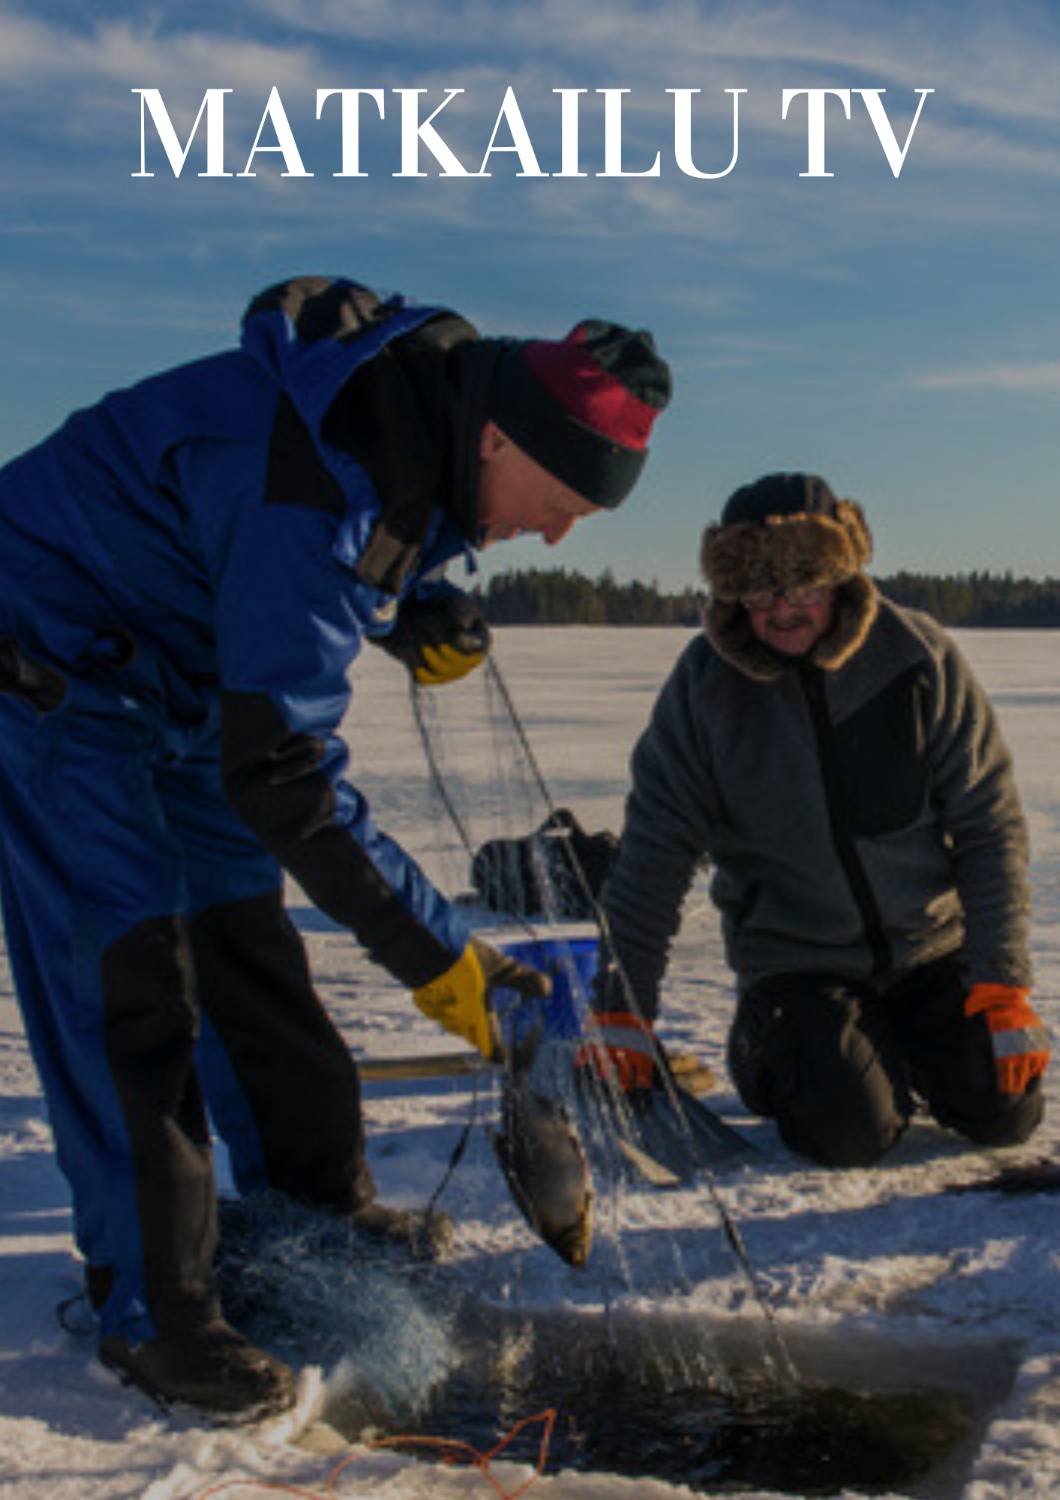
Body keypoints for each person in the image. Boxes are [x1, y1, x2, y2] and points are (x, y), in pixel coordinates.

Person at [0, 275, 670, 1420]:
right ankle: (153, 1311)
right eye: (558, 502)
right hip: (55, 669)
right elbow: (287, 779)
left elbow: (343, 545)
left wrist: (404, 605)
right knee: (132, 983)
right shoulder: (315, 476)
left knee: (244, 942)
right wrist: (442, 961)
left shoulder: (420, 427)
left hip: (184, 672)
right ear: (500, 436)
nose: (553, 532)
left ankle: (318, 1208)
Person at [585, 472, 1049, 1171]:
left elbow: (991, 826)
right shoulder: (705, 690)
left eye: (803, 584)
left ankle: (898, 1045)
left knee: (1006, 1111)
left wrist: (1002, 982)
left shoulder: (916, 655)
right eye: (759, 592)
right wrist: (622, 1009)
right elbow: (654, 854)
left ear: (841, 576)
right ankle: (764, 1046)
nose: (781, 609)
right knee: (849, 1131)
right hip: (798, 965)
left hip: (931, 954)